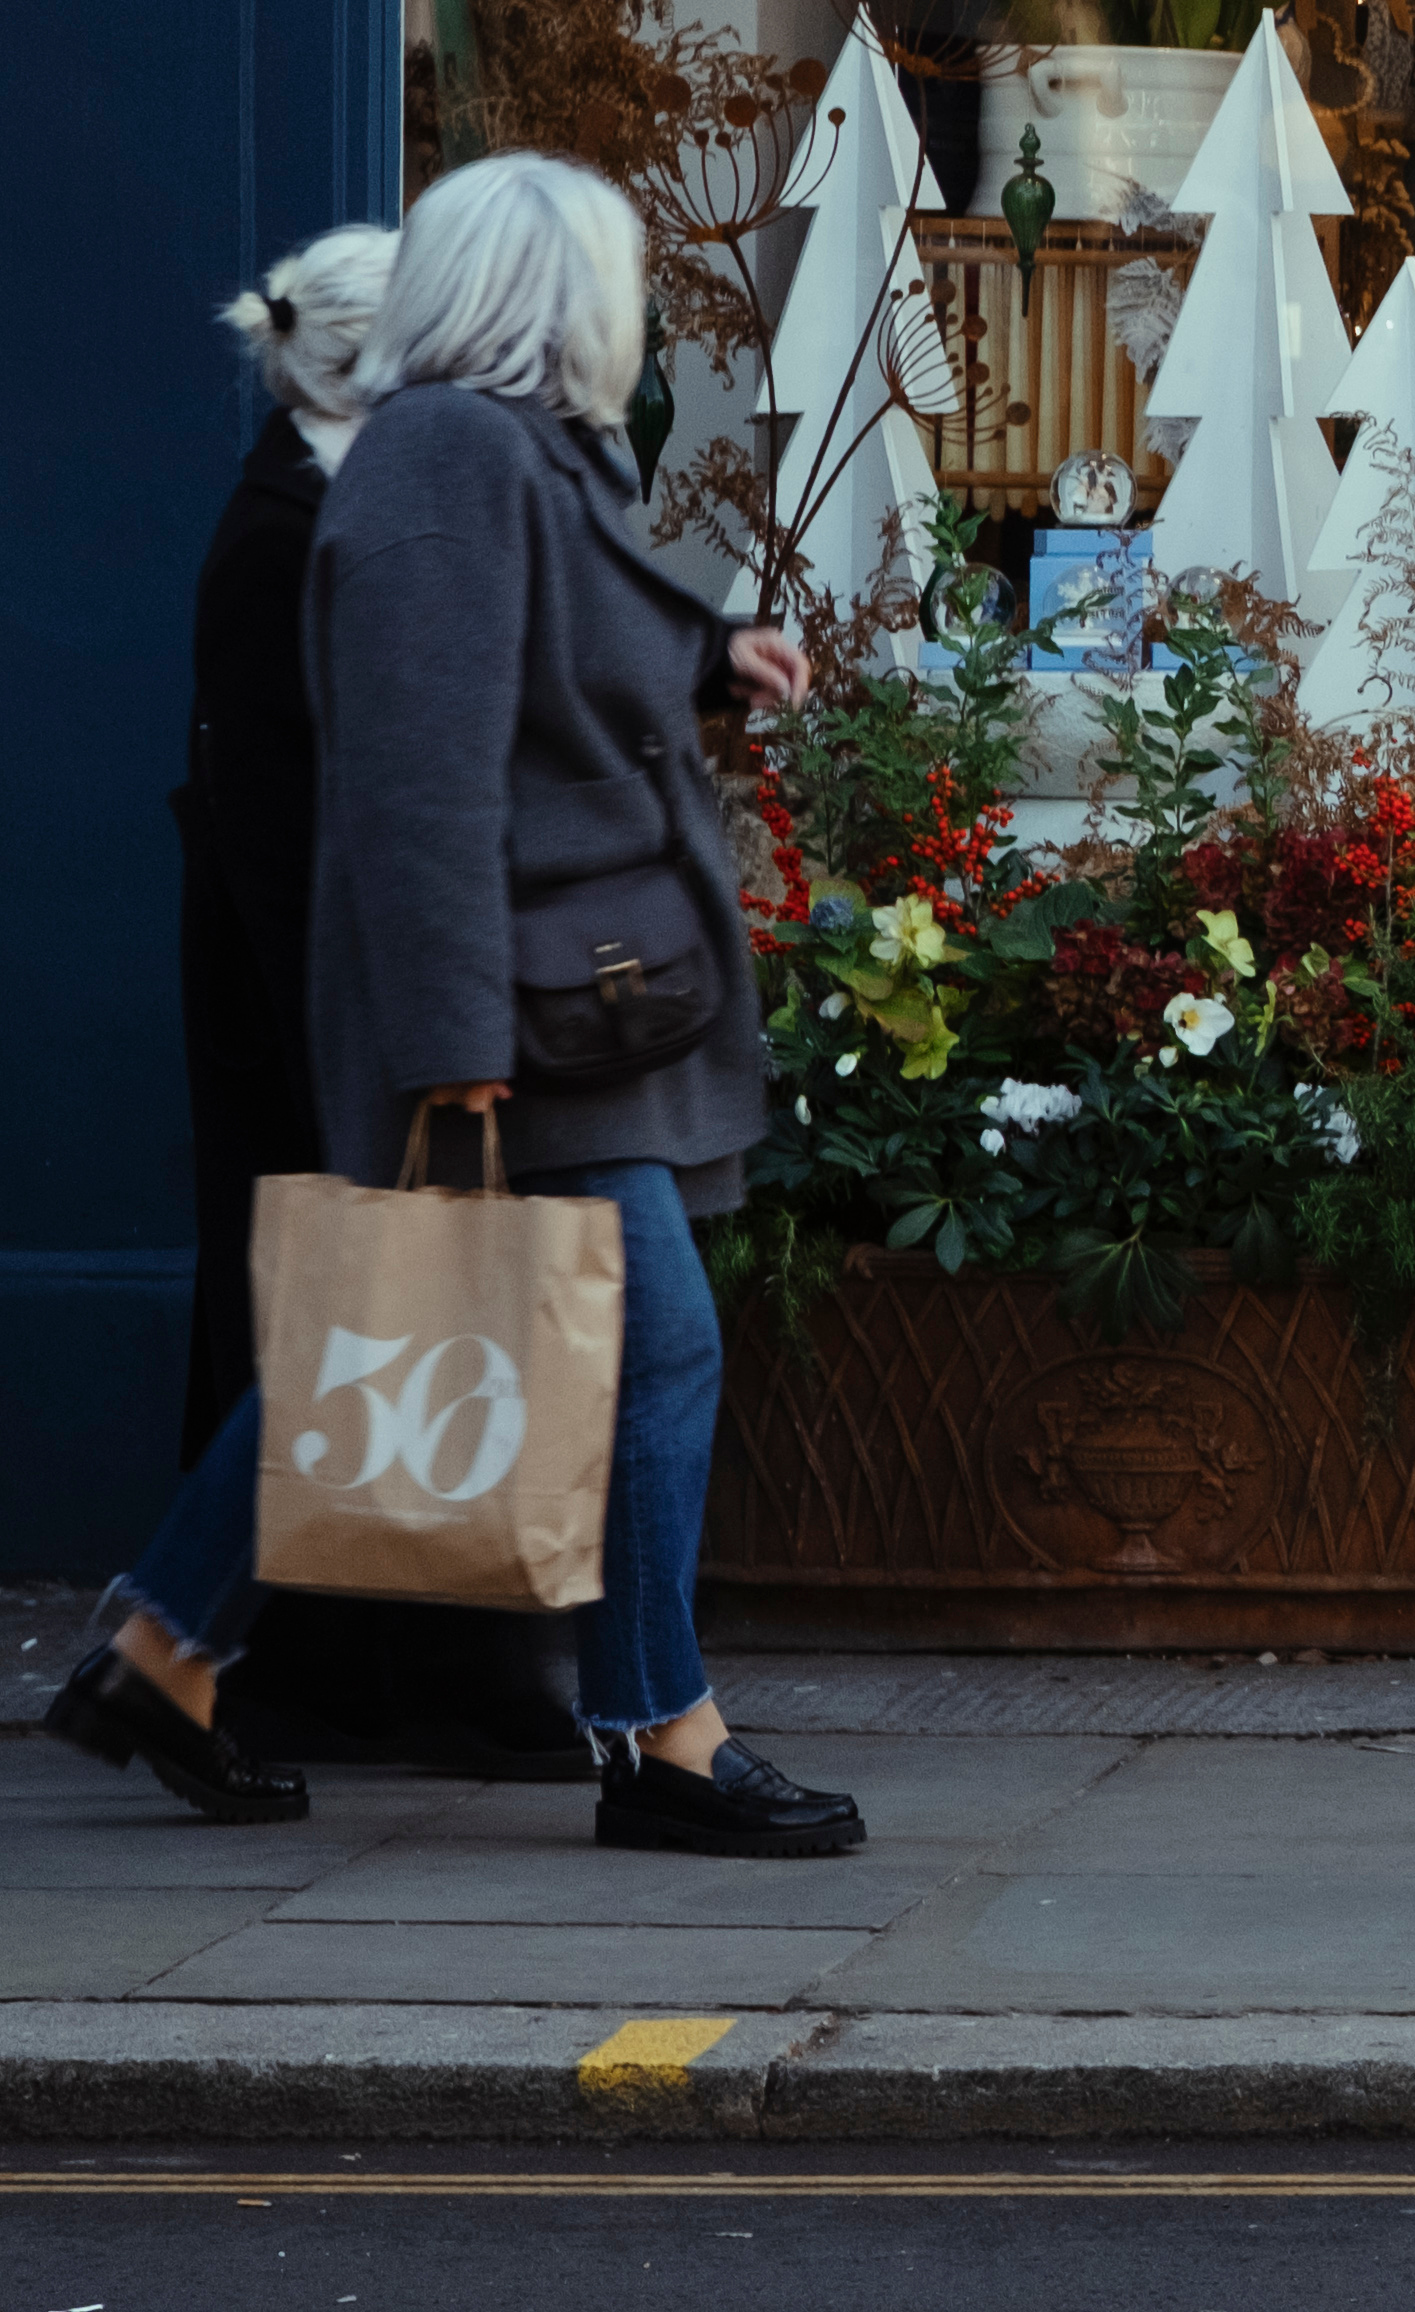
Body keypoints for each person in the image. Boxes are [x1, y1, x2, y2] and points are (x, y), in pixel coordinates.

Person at [68, 154, 864, 1858]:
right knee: (650, 1341)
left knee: (390, 1323)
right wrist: (453, 1050)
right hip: (514, 1003)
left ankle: (159, 1647)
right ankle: (661, 1736)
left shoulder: (512, 451)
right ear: (552, 296)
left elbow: (540, 667)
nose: (636, 318)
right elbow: (422, 783)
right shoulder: (444, 457)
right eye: (616, 283)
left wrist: (711, 660)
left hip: (558, 990)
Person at [53, 233, 591, 1798]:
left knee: (377, 1322)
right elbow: (305, 818)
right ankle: (227, 1671)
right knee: (354, 1319)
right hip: (317, 1005)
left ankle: (349, 1672)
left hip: (344, 989)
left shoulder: (331, 504)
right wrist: (385, 1037)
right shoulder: (296, 530)